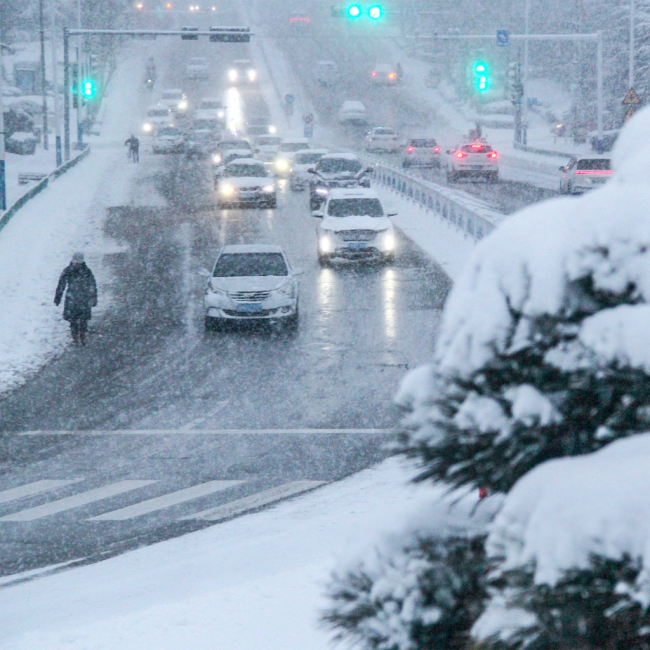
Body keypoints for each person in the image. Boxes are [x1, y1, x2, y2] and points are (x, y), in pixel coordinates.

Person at [54, 252, 98, 345]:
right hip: (73, 299)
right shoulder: (68, 271)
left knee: (83, 320)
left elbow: (92, 285)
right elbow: (61, 285)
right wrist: (58, 297)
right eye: (76, 263)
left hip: (82, 299)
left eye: (79, 263)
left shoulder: (86, 271)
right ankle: (75, 338)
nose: (77, 265)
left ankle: (82, 336)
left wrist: (93, 298)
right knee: (73, 320)